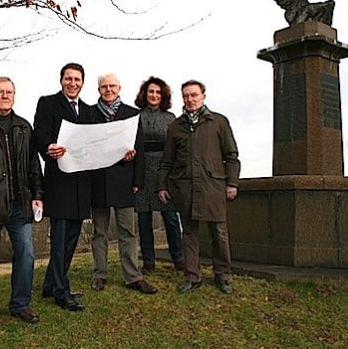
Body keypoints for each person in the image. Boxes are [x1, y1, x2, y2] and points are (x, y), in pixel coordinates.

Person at [0, 77, 44, 324]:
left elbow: (34, 165)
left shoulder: (24, 127)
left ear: (15, 95)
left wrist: (38, 195)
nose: (5, 96)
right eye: (0, 92)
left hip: (19, 204)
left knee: (26, 254)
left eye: (9, 92)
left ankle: (20, 304)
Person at [158, 79, 240, 294]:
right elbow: (167, 161)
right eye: (186, 96)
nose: (190, 99)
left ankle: (222, 275)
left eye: (194, 95)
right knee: (190, 234)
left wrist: (231, 182)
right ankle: (192, 276)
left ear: (203, 95)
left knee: (219, 232)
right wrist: (162, 186)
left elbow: (231, 156)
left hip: (213, 186)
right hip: (185, 187)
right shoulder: (176, 126)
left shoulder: (219, 122)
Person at [33, 62, 96, 312]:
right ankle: (61, 291)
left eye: (77, 79)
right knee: (58, 240)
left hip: (81, 184)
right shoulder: (48, 103)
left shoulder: (89, 111)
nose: (72, 83)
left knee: (70, 240)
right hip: (59, 182)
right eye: (68, 78)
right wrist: (47, 147)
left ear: (82, 82)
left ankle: (51, 284)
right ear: (61, 80)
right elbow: (39, 134)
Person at [89, 73, 157, 294]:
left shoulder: (132, 114)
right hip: (98, 180)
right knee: (99, 232)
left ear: (119, 88)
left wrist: (138, 180)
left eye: (112, 86)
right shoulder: (89, 114)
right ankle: (100, 274)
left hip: (125, 181)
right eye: (104, 86)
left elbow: (140, 150)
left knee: (127, 231)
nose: (108, 90)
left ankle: (133, 276)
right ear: (99, 89)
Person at [133, 77, 185, 274]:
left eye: (157, 92)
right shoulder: (136, 117)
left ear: (162, 96)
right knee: (144, 219)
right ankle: (148, 260)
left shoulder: (171, 118)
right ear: (145, 94)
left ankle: (178, 257)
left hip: (164, 171)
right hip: (142, 170)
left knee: (171, 218)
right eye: (150, 92)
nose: (154, 95)